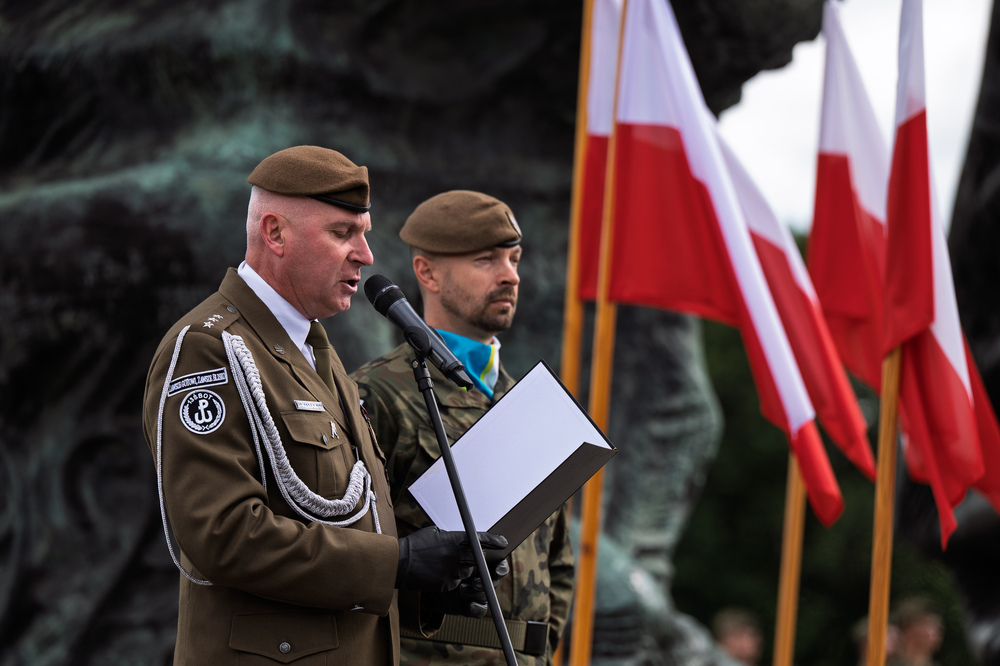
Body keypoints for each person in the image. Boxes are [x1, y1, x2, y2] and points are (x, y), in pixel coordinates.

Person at [142, 147, 507, 665]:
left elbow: (352, 523)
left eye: (364, 232)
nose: (366, 253)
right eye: (342, 233)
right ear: (275, 233)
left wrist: (429, 583)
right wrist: (398, 563)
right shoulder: (209, 348)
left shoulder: (313, 348)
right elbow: (221, 535)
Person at [352, 190, 575, 665]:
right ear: (427, 273)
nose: (510, 275)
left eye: (514, 259)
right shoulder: (377, 395)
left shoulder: (530, 406)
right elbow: (350, 552)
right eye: (485, 260)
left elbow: (558, 558)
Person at [888, 597, 943, 666]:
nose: (937, 632)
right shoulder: (885, 659)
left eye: (939, 626)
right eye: (930, 623)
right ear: (909, 626)